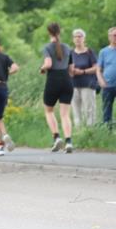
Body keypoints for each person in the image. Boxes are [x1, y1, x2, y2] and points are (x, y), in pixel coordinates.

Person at [40, 23, 75, 153]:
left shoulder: (47, 47)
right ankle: (69, 141)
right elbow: (72, 69)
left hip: (53, 80)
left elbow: (48, 64)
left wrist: (42, 68)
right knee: (65, 114)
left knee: (49, 111)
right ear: (60, 32)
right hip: (67, 80)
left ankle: (56, 137)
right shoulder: (67, 47)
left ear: (49, 33)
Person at [70, 29, 98, 128]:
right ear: (73, 39)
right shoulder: (70, 53)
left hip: (88, 84)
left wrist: (83, 71)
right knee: (76, 109)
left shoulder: (90, 52)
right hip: (73, 84)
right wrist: (71, 71)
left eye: (80, 36)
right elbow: (66, 68)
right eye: (76, 37)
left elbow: (96, 68)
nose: (78, 38)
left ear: (84, 38)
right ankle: (78, 131)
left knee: (89, 109)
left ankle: (90, 131)